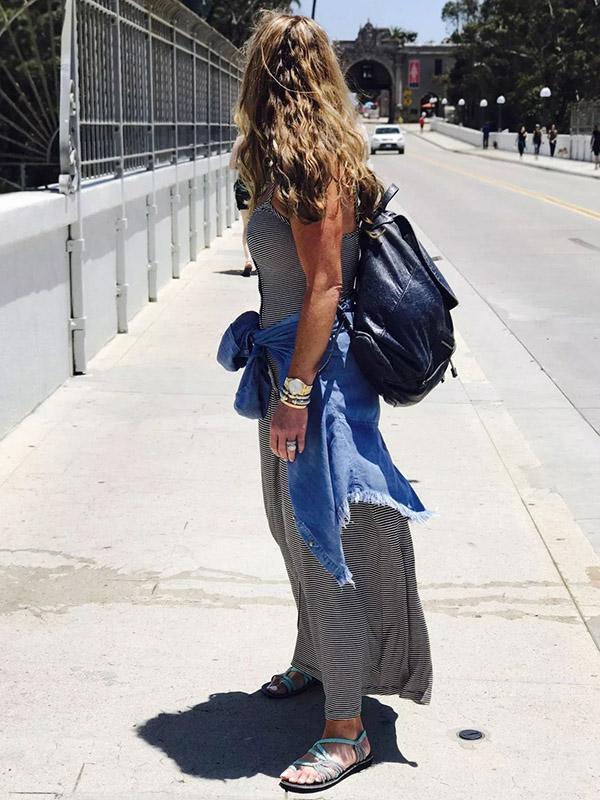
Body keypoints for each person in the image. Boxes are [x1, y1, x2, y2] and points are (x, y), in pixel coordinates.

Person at [227, 11, 432, 793]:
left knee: (327, 542)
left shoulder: (313, 164)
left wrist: (296, 396)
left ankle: (347, 729)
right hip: (287, 370)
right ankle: (315, 659)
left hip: (319, 385)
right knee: (290, 530)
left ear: (265, 73)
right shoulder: (280, 160)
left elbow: (323, 287)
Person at [229, 136, 253, 276]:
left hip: (243, 187)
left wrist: (243, 165)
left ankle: (248, 260)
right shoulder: (267, 138)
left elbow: (232, 166)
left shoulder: (240, 140)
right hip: (261, 189)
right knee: (262, 224)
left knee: (246, 226)